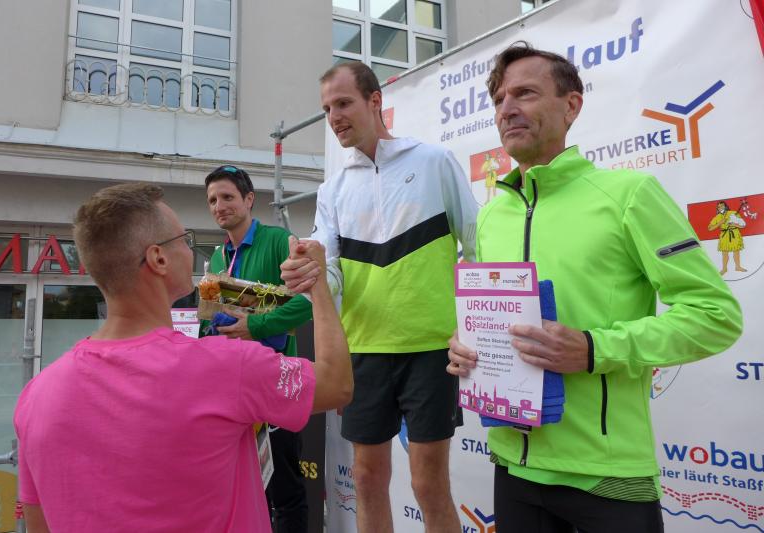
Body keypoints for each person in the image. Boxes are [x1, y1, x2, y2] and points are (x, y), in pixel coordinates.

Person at [446, 42, 743, 533]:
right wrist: (465, 345)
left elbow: (716, 316)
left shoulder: (628, 195)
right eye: (499, 99)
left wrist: (592, 348)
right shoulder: (491, 215)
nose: (507, 109)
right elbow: (488, 319)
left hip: (606, 475)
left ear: (571, 105)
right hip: (512, 466)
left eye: (525, 93)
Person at [13, 182, 351, 533]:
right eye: (184, 240)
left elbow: (39, 523)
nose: (192, 251)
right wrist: (318, 284)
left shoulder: (36, 396)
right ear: (158, 258)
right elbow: (337, 383)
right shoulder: (226, 367)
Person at [281, 62, 479, 533]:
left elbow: (476, 246)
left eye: (343, 103)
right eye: (327, 109)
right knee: (367, 480)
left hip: (431, 349)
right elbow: (330, 275)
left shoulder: (433, 161)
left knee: (429, 485)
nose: (334, 117)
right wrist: (309, 271)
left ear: (375, 101)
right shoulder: (332, 189)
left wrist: (470, 323)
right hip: (364, 351)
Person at [203, 164, 313, 532]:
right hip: (235, 389)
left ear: (249, 199)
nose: (219, 206)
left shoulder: (280, 241)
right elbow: (212, 315)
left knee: (286, 492)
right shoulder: (219, 257)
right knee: (249, 489)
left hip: (275, 385)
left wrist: (255, 325)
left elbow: (309, 301)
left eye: (227, 197)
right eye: (213, 200)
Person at [707, 200, 747, 275]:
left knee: (736, 251)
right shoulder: (717, 217)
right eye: (719, 207)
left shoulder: (733, 213)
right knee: (725, 253)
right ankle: (724, 269)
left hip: (734, 233)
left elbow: (743, 225)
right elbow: (710, 228)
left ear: (726, 206)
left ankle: (738, 267)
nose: (720, 208)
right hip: (724, 235)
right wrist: (720, 222)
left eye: (722, 206)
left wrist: (734, 224)